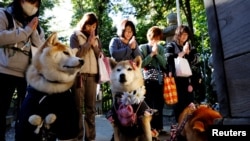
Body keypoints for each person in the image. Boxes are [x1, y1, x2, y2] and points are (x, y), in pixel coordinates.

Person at [0, 0, 44, 140]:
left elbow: (42, 48)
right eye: (29, 1)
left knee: (27, 115)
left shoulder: (37, 25)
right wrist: (26, 31)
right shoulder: (4, 14)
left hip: (28, 76)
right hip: (4, 72)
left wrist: (33, 31)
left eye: (36, 3)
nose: (32, 6)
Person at [70, 12, 102, 141]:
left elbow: (101, 56)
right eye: (89, 25)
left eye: (94, 26)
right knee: (77, 109)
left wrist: (94, 46)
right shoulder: (75, 36)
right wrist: (88, 44)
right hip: (79, 76)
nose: (92, 29)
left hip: (92, 76)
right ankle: (77, 137)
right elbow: (75, 56)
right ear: (84, 24)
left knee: (91, 110)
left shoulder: (97, 39)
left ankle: (91, 138)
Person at [164, 25, 198, 122]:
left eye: (186, 34)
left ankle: (189, 126)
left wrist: (188, 53)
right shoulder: (171, 45)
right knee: (178, 104)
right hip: (176, 79)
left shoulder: (190, 46)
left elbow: (196, 60)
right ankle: (179, 127)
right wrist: (182, 53)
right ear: (178, 35)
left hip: (188, 79)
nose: (184, 36)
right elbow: (168, 58)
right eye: (182, 34)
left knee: (190, 103)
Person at [139, 26, 167, 135]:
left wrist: (157, 54)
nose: (156, 40)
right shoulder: (142, 48)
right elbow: (141, 64)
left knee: (159, 103)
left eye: (158, 38)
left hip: (159, 79)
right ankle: (149, 128)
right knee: (148, 103)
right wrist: (151, 54)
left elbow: (164, 63)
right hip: (146, 79)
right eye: (155, 37)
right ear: (150, 36)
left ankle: (159, 127)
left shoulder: (160, 48)